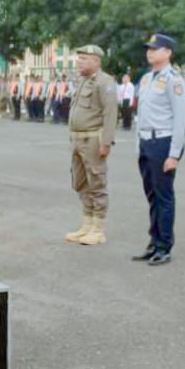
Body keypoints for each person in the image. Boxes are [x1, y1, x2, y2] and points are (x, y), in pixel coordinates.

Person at [132, 34, 185, 266]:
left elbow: (180, 119)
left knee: (164, 196)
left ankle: (164, 245)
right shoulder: (145, 79)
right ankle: (154, 241)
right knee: (152, 195)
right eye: (148, 49)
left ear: (168, 52)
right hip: (146, 142)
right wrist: (138, 144)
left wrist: (174, 153)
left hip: (162, 142)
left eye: (155, 49)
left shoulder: (174, 80)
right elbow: (141, 115)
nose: (150, 52)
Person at [65, 45, 118, 246]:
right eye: (78, 58)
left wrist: (106, 142)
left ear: (96, 61)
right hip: (78, 139)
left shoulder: (104, 82)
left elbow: (110, 113)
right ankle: (86, 224)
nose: (79, 61)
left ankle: (98, 229)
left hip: (93, 140)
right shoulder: (83, 81)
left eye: (84, 58)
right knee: (80, 182)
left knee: (96, 183)